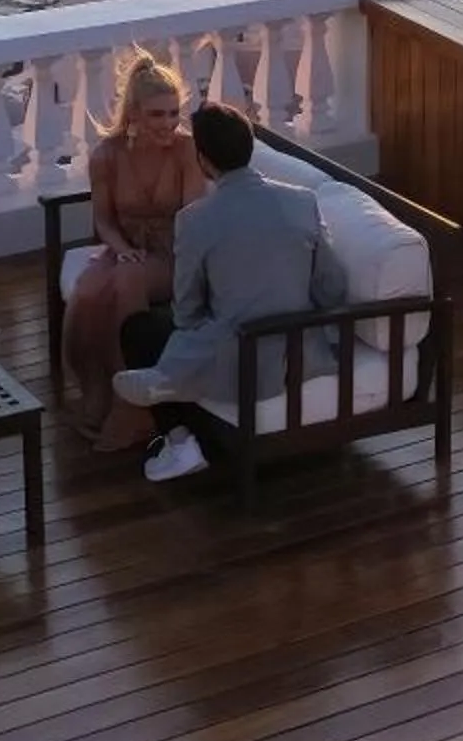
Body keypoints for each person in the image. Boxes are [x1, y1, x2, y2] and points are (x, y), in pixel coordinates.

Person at [112, 104, 352, 484]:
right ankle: (167, 381)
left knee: (141, 330)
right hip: (301, 348)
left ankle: (179, 438)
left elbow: (187, 312)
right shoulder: (302, 202)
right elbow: (332, 286)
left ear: (204, 160)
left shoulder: (194, 220)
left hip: (239, 355)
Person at [63, 53, 208, 451]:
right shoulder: (106, 156)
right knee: (89, 291)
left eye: (173, 113)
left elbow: (192, 218)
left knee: (126, 281)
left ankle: (133, 405)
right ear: (135, 113)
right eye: (157, 114)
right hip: (125, 248)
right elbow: (104, 221)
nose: (168, 123)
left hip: (174, 251)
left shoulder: (186, 151)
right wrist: (123, 249)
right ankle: (95, 389)